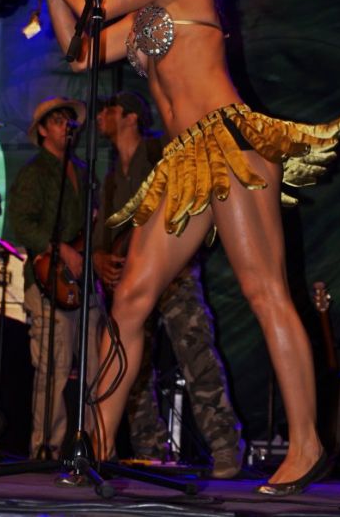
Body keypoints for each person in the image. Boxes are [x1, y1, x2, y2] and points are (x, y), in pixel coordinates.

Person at [38, 0, 340, 494]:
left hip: (227, 143)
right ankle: (94, 444)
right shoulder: (148, 12)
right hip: (184, 162)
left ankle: (307, 443)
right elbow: (81, 50)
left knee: (264, 290)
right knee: (130, 301)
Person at [93, 90, 244, 477]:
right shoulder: (111, 178)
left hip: (174, 272)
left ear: (130, 117)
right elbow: (104, 235)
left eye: (109, 109)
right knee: (126, 364)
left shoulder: (162, 151)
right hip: (131, 279)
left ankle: (226, 447)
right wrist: (100, 258)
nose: (100, 116)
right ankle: (150, 451)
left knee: (196, 352)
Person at [8, 96, 103, 459]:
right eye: (58, 121)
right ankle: (45, 447)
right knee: (54, 368)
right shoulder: (34, 172)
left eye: (69, 120)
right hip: (48, 279)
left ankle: (93, 446)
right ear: (44, 131)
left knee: (95, 367)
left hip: (82, 282)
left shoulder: (83, 171)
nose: (67, 126)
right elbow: (21, 224)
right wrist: (60, 248)